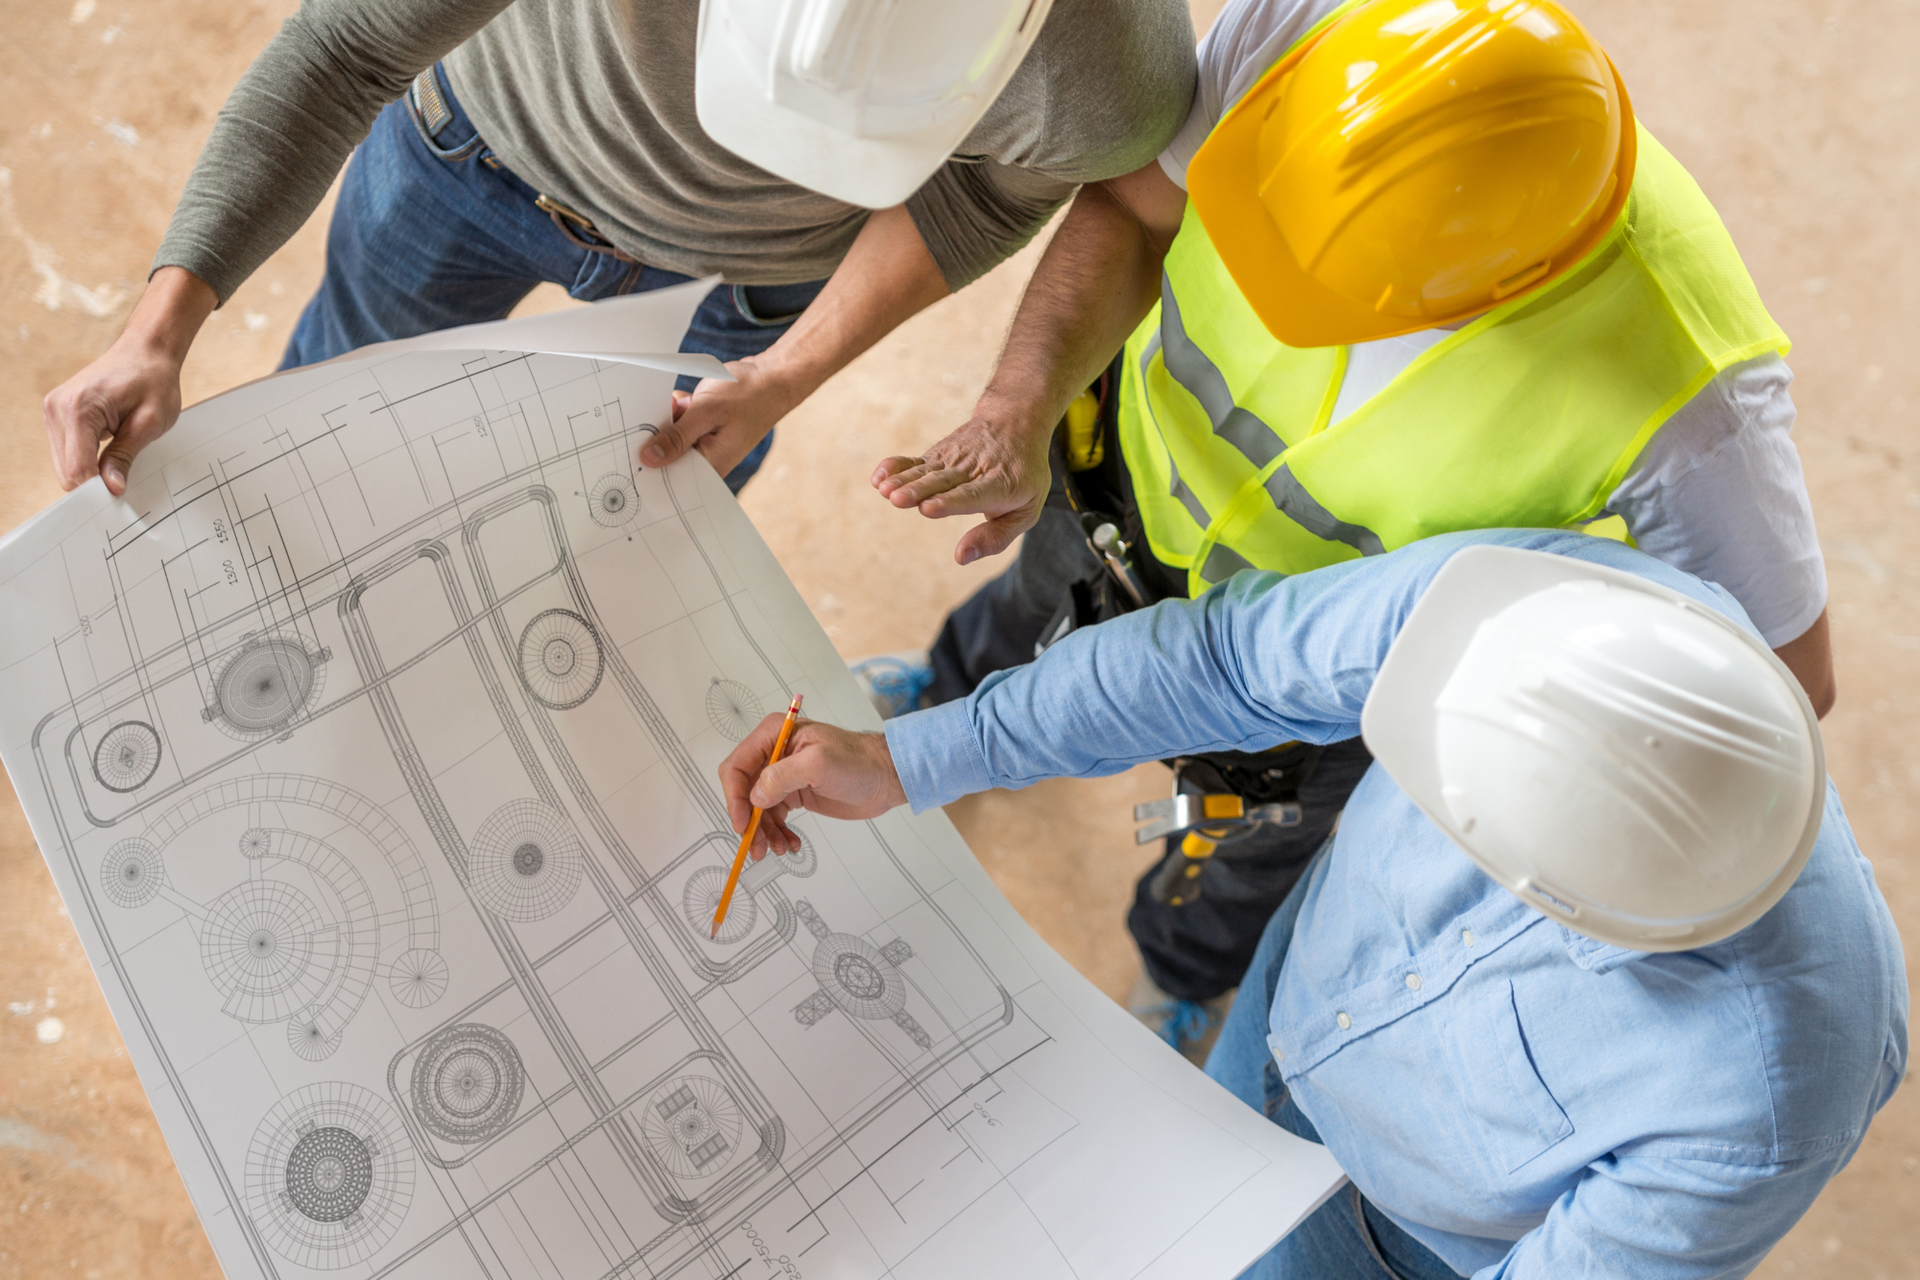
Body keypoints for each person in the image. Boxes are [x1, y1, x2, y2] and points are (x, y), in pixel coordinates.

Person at [865, 0, 1837, 1050]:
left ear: (1491, 295)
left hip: (1307, 691)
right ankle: (945, 693)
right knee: (1024, 611)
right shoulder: (1326, 34)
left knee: (1229, 852)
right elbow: (1139, 211)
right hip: (1116, 501)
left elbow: (1784, 684)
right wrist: (1021, 401)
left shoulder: (1693, 400)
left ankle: (1182, 973)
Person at [723, 529, 1907, 1279]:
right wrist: (921, 755)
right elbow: (1221, 663)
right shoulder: (1553, 620)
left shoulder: (1766, 1096)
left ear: (1574, 909)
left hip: (1384, 1245)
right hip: (1286, 1008)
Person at [41, 0, 1195, 496]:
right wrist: (160, 330)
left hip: (750, 287)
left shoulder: (1105, 72)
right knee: (334, 400)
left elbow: (979, 202)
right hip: (474, 154)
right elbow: (347, 47)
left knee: (645, 519)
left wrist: (789, 372)